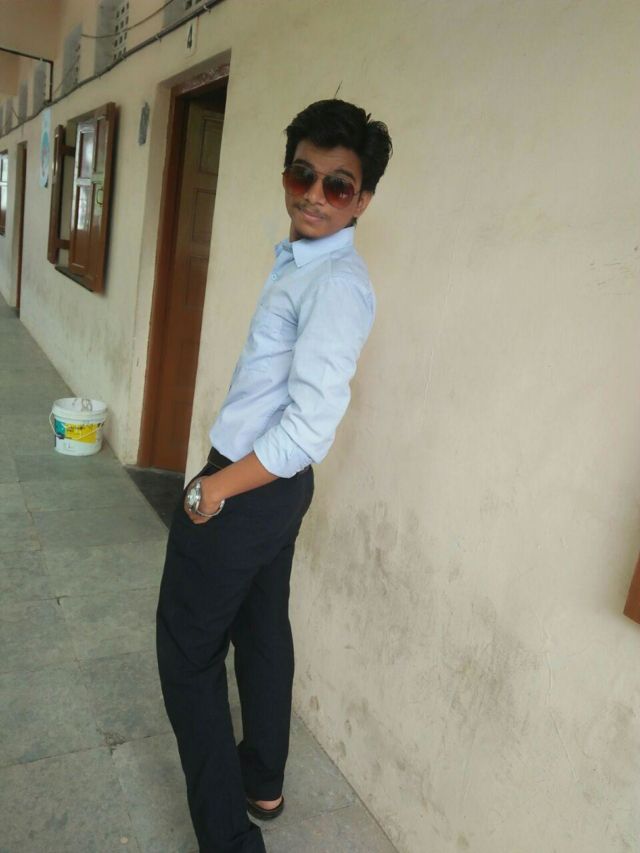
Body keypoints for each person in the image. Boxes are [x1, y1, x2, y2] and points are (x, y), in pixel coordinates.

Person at [156, 98, 392, 853]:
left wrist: (213, 489)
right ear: (288, 173)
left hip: (250, 484)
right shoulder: (299, 258)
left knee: (187, 656)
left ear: (363, 199)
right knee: (261, 630)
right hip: (273, 488)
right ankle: (261, 779)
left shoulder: (336, 284)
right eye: (302, 175)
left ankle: (229, 839)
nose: (315, 196)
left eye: (338, 185)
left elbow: (309, 427)